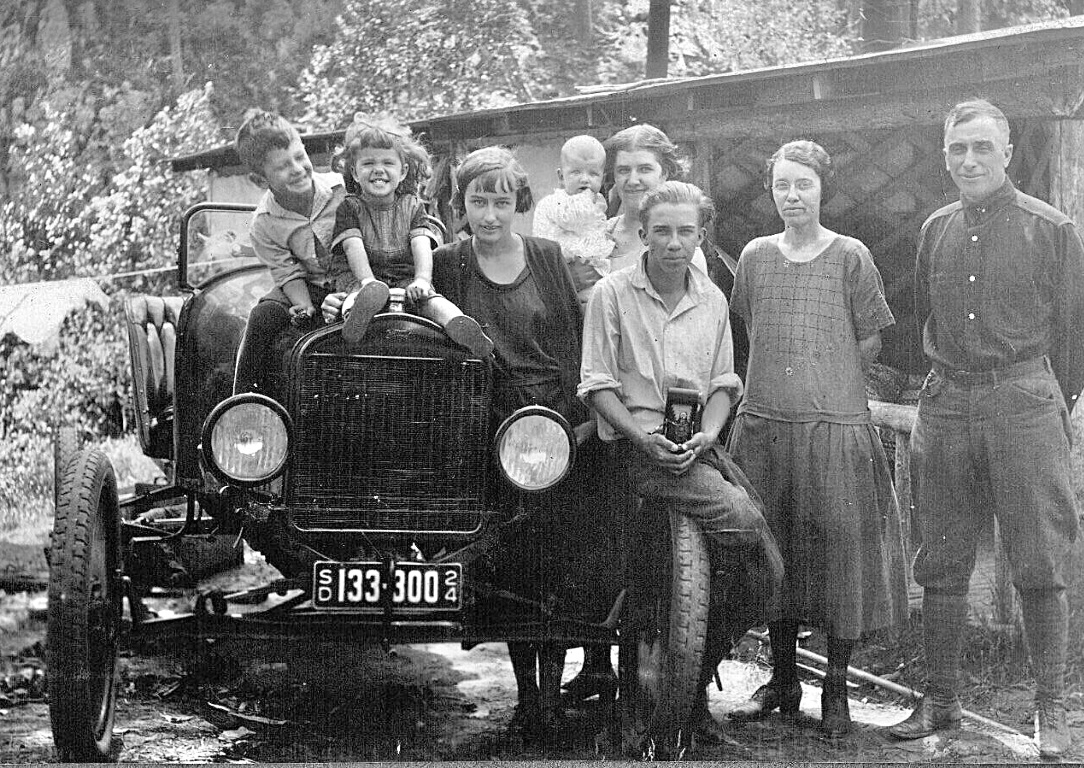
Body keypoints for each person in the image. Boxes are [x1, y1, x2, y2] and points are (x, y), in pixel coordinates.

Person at [886, 99, 1084, 758]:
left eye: (981, 147)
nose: (968, 160)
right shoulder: (935, 229)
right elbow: (924, 314)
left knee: (1039, 560)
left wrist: (1039, 398)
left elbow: (1076, 334)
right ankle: (940, 701)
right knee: (940, 561)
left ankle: (1050, 708)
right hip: (946, 406)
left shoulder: (1049, 228)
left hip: (1023, 402)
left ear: (1006, 152)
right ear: (945, 156)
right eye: (957, 149)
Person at [579, 180, 783, 742]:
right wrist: (643, 438)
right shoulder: (612, 294)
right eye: (662, 231)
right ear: (643, 233)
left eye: (685, 232)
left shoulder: (712, 299)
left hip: (694, 449)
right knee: (742, 521)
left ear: (700, 235)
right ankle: (667, 696)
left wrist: (708, 434)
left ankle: (688, 681)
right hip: (631, 450)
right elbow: (596, 385)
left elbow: (723, 385)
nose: (674, 243)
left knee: (765, 570)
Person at [725, 140, 907, 737]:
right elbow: (752, 327)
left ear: (823, 188)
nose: (792, 195)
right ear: (771, 191)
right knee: (773, 554)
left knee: (838, 558)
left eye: (803, 184)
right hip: (766, 429)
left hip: (834, 431)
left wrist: (827, 385)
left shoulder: (851, 255)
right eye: (782, 185)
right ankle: (783, 680)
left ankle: (835, 689)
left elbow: (869, 340)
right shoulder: (754, 257)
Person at [328, 116, 492, 357]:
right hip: (362, 277)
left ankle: (459, 325)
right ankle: (356, 317)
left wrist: (422, 280)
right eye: (368, 163)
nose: (378, 169)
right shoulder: (349, 207)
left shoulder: (412, 205)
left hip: (404, 275)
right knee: (354, 297)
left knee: (431, 302)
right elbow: (353, 247)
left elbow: (421, 244)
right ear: (354, 171)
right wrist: (367, 281)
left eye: (387, 162)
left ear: (403, 171)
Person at [233, 109, 345, 395]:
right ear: (261, 181)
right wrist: (305, 307)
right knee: (263, 316)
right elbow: (287, 272)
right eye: (282, 166)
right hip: (308, 283)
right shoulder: (264, 223)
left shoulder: (342, 189)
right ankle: (245, 402)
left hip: (356, 273)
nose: (296, 169)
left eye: (299, 156)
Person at [532, 134, 612, 306]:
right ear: (561, 177)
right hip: (560, 271)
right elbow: (572, 218)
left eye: (593, 173)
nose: (585, 179)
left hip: (589, 274)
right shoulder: (555, 203)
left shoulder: (595, 203)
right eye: (576, 172)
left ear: (602, 179)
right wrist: (588, 199)